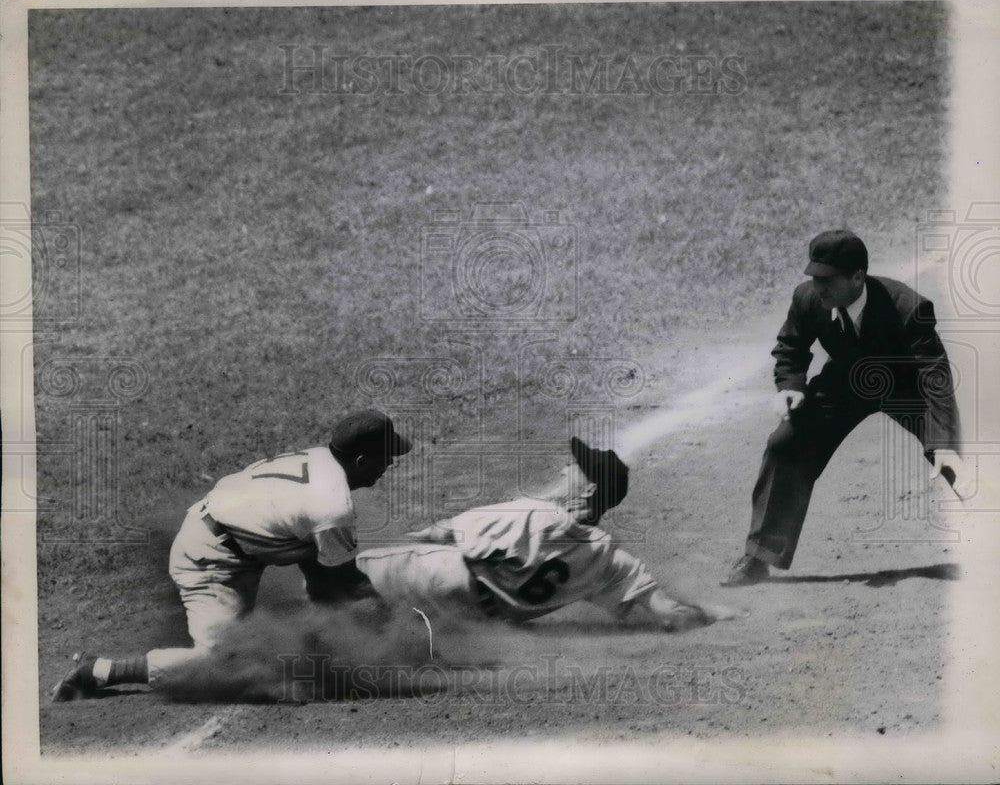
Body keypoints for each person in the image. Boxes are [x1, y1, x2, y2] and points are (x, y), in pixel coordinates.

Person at [52, 409, 411, 701]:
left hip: (228, 539)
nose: (390, 465)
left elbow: (322, 570)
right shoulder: (331, 506)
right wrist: (392, 622)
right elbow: (344, 581)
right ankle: (99, 670)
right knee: (222, 661)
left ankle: (313, 646)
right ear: (362, 460)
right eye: (386, 457)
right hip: (210, 560)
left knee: (313, 589)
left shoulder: (322, 459)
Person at [723, 230, 970, 587]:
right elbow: (790, 348)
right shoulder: (808, 299)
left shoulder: (909, 307)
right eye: (814, 277)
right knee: (788, 441)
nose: (818, 287)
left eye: (827, 279)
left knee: (956, 457)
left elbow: (934, 377)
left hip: (904, 385)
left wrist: (944, 442)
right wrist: (790, 387)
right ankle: (759, 556)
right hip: (848, 381)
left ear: (857, 277)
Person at [358, 437, 743, 630]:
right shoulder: (614, 561)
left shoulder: (535, 513)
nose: (565, 468)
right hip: (478, 621)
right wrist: (711, 612)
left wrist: (399, 542)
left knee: (336, 579)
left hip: (432, 579)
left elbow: (438, 534)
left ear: (589, 489)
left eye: (574, 468)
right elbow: (667, 613)